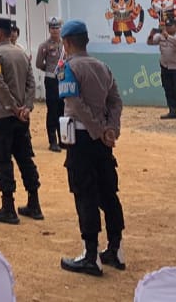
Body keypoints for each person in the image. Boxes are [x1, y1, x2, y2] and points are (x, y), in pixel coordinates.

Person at [58, 19, 126, 276]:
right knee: (108, 192)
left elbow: (74, 105)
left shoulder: (68, 67)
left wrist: (98, 130)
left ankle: (90, 254)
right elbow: (116, 102)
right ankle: (115, 249)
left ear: (66, 42)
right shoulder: (103, 66)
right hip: (103, 143)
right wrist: (111, 129)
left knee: (85, 194)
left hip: (83, 138)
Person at [0, 17, 42, 225]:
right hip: (22, 117)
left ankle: (8, 206)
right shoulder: (22, 53)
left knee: (2, 160)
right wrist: (26, 107)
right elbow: (31, 83)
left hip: (2, 115)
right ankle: (34, 203)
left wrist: (12, 107)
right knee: (25, 158)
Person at [147, 16, 176, 119]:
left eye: (170, 26)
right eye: (167, 26)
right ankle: (172, 111)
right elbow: (150, 43)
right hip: (165, 67)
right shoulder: (160, 36)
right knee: (168, 89)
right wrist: (151, 34)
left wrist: (168, 37)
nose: (168, 28)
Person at [36, 17, 65, 151]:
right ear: (49, 30)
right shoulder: (44, 46)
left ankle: (63, 139)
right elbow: (38, 63)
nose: (55, 30)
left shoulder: (65, 45)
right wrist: (49, 70)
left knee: (62, 110)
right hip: (51, 80)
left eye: (57, 27)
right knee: (52, 110)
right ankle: (52, 141)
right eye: (52, 28)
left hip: (63, 80)